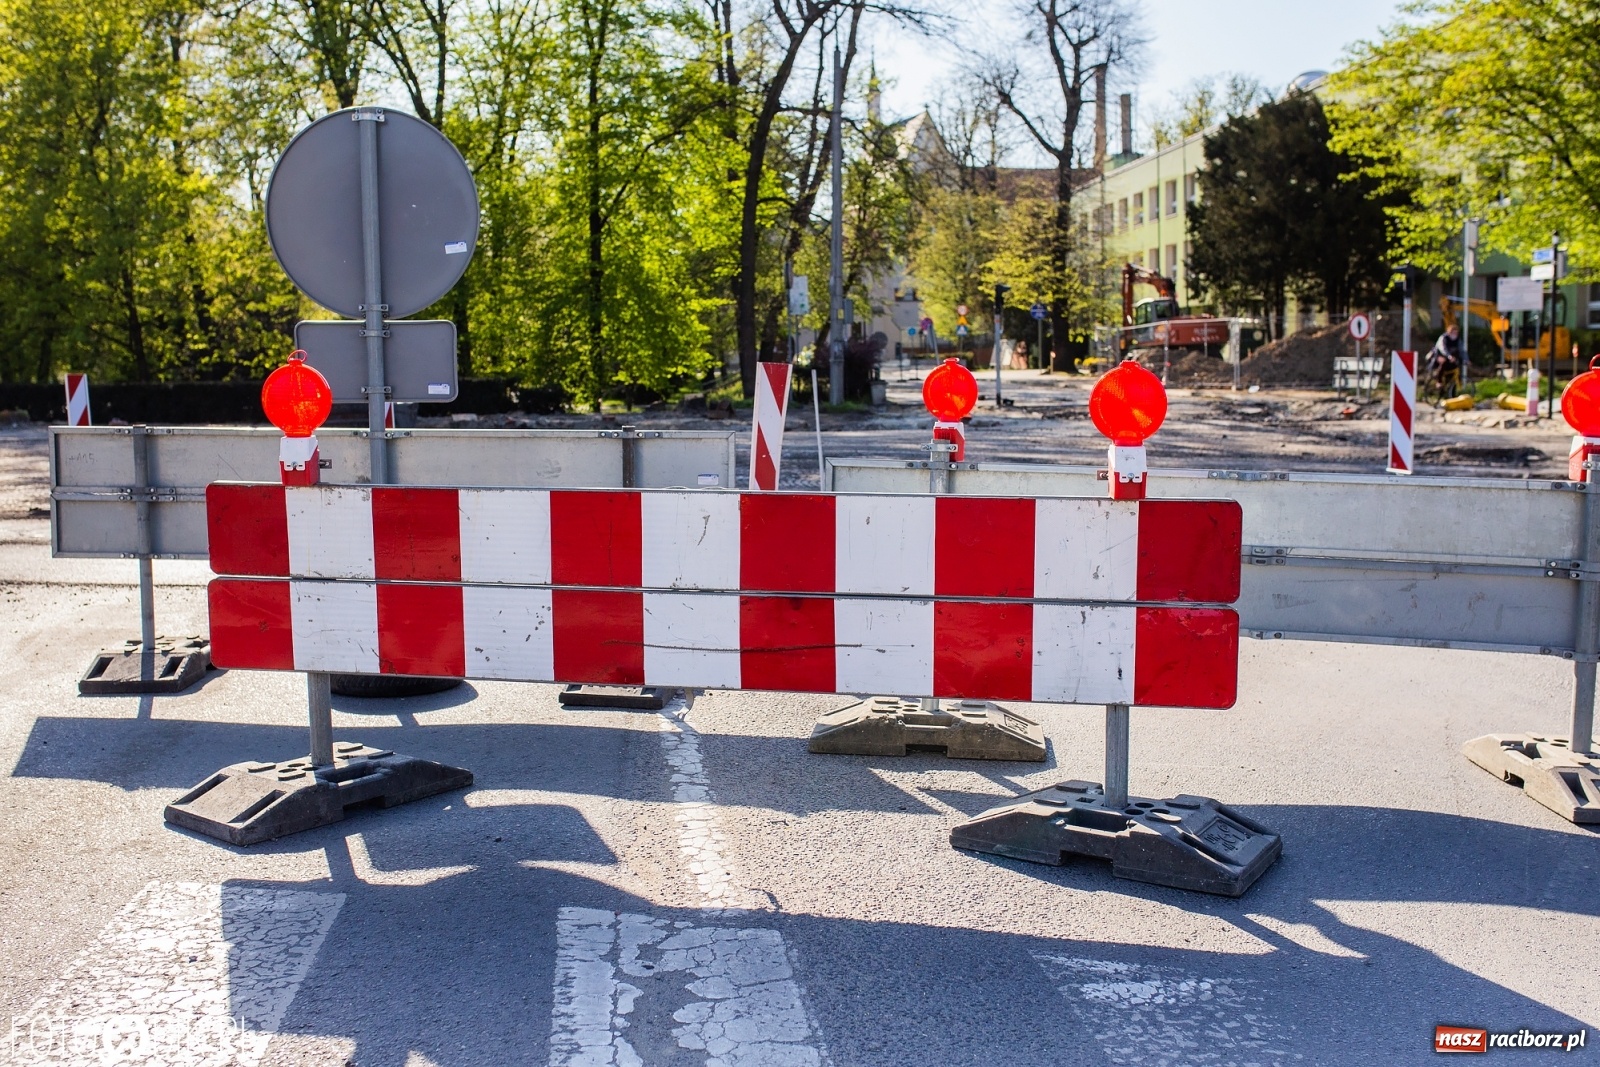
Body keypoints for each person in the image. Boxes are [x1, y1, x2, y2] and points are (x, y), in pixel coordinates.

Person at [1428, 324, 1462, 392]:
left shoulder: (1458, 340)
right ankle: (1439, 382)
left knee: (1455, 369)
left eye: (1456, 333)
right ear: (1449, 332)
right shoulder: (1443, 338)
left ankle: (1451, 392)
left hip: (1450, 358)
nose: (1455, 334)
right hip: (1438, 356)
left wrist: (1466, 359)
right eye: (1453, 332)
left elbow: (1462, 350)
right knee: (1443, 363)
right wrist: (1449, 356)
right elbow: (1443, 349)